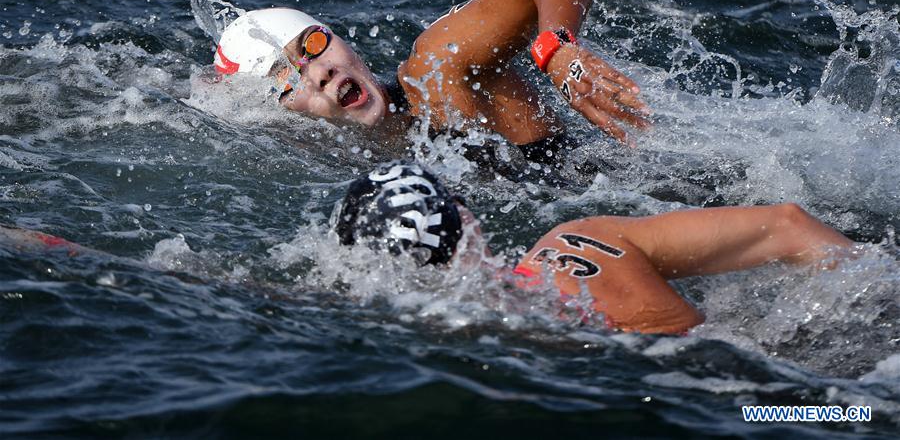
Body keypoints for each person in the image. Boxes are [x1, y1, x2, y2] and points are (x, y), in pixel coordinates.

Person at [213, 0, 650, 162]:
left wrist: (556, 47)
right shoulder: (318, 162)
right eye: (288, 79)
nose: (319, 72)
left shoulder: (439, 72)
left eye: (313, 46)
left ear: (343, 41)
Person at [334, 161, 857, 335]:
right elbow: (788, 225)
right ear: (465, 218)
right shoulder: (584, 241)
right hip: (803, 385)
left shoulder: (469, 336)